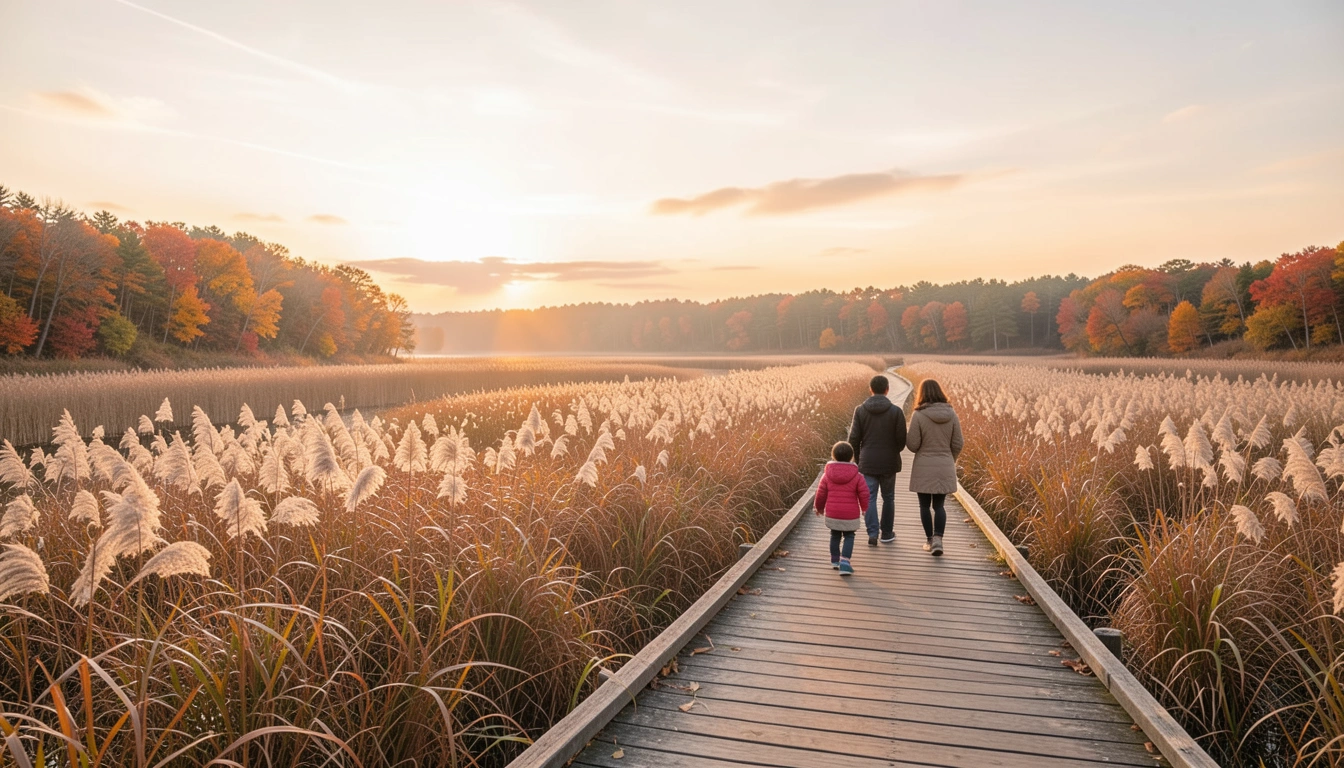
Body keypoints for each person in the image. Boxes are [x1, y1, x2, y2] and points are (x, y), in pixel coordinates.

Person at [905, 378, 963, 557]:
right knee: (939, 506)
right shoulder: (951, 414)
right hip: (944, 464)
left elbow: (913, 445)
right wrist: (949, 459)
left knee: (924, 506)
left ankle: (930, 540)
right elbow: (958, 443)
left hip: (924, 466)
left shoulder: (919, 415)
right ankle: (939, 539)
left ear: (921, 393)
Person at [847, 374, 907, 546]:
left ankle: (872, 533)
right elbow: (901, 439)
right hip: (889, 461)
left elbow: (853, 439)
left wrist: (859, 460)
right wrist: (894, 451)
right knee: (888, 497)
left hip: (868, 461)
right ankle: (887, 533)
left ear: (871, 389)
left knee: (870, 497)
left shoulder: (860, 410)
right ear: (887, 389)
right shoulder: (896, 411)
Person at [814, 441, 869, 576]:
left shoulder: (827, 475)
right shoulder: (857, 476)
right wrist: (864, 508)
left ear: (833, 456)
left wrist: (819, 508)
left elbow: (821, 493)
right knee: (849, 535)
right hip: (850, 514)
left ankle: (834, 560)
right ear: (851, 457)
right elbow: (864, 493)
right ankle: (845, 562)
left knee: (835, 535)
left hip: (833, 512)